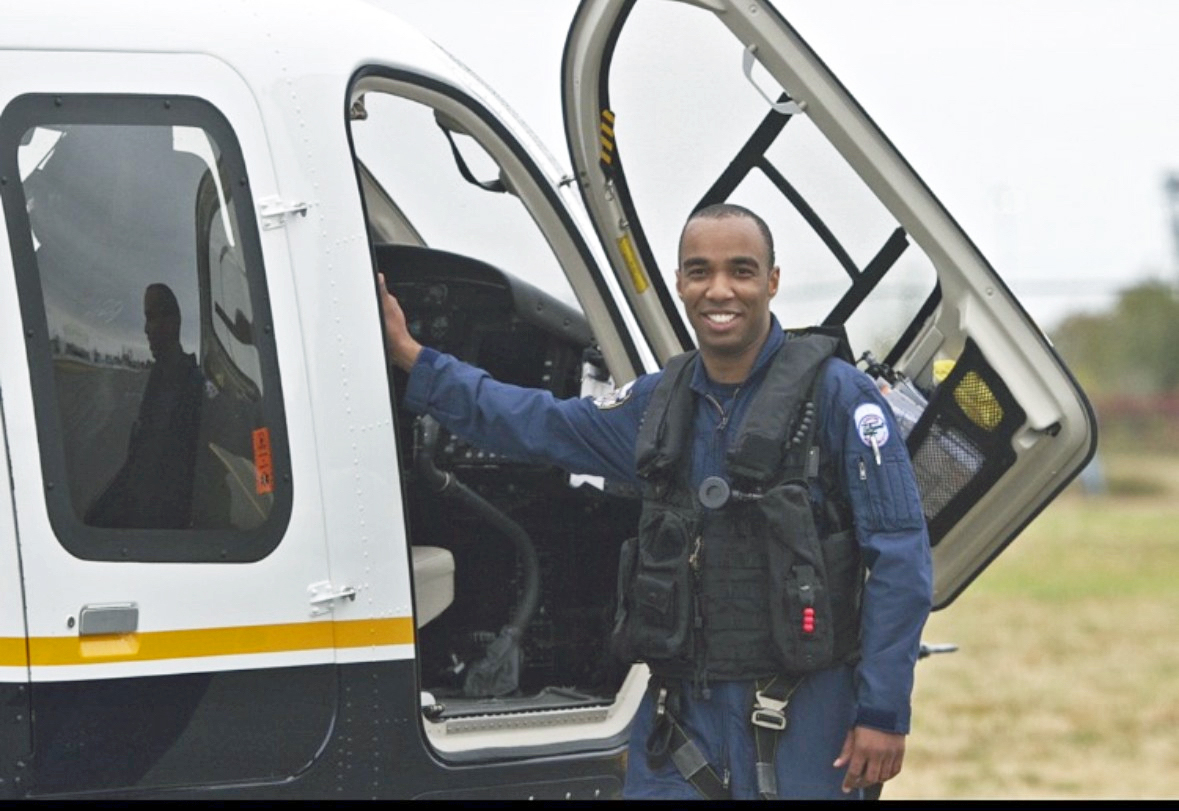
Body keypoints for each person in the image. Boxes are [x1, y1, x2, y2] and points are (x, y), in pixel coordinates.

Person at [379, 203, 932, 800]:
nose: (719, 290)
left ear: (772, 281)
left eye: (741, 271)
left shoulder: (839, 399)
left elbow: (899, 557)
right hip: (683, 720)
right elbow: (534, 423)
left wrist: (882, 711)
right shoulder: (656, 406)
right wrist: (412, 358)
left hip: (807, 716)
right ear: (679, 284)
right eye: (699, 271)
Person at [86, 282, 204, 529]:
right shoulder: (161, 374)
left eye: (152, 318)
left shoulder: (186, 384)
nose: (146, 329)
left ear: (173, 323)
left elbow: (155, 464)